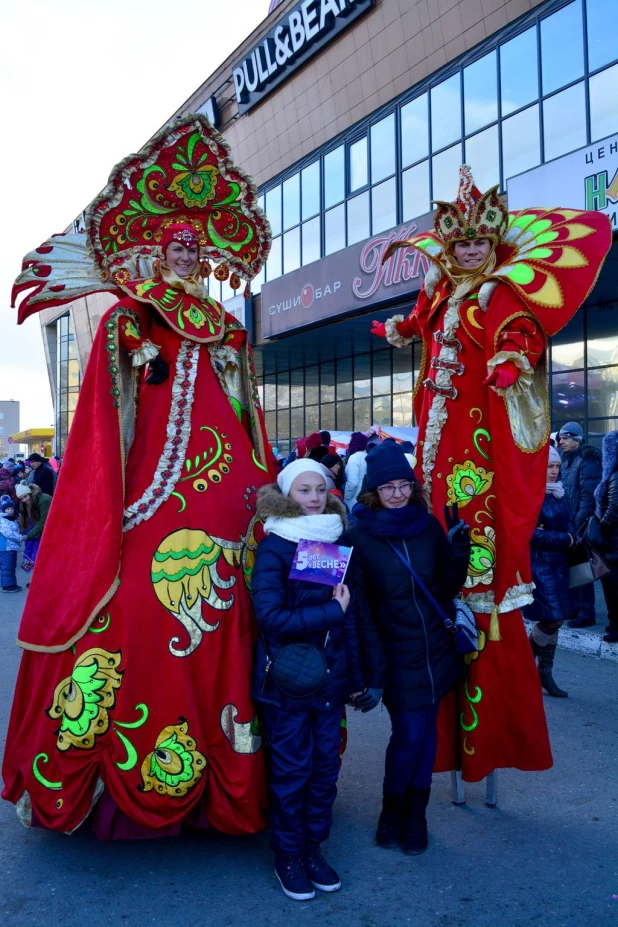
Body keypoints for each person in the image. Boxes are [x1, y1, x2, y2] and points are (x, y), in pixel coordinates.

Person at [4, 113, 275, 839]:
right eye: (175, 245)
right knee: (128, 604)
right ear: (156, 249)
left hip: (229, 493)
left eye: (195, 246)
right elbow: (116, 383)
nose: (186, 254)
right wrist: (133, 345)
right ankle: (123, 780)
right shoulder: (136, 315)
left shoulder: (224, 325)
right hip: (151, 486)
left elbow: (247, 412)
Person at [372, 165, 611, 781]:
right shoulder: (439, 291)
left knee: (474, 549)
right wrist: (400, 327)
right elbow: (421, 328)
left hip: (473, 447)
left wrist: (509, 363)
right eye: (460, 245)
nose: (469, 251)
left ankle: (482, 728)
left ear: (494, 243)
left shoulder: (497, 290)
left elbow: (520, 332)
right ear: (449, 248)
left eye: (477, 243)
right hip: (435, 442)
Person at [343, 444, 470, 854]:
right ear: (371, 492)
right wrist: (370, 673)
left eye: (404, 485)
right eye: (387, 488)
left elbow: (446, 588)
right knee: (409, 735)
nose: (397, 494)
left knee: (426, 736)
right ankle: (391, 812)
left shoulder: (428, 524)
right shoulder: (358, 536)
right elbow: (358, 612)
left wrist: (458, 551)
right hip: (394, 655)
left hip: (436, 650)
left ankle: (416, 815)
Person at [251, 459, 363, 900]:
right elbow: (272, 617)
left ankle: (314, 849)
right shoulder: (277, 545)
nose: (315, 498)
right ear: (287, 495)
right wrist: (333, 612)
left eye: (321, 489)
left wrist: (355, 676)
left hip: (330, 681)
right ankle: (288, 856)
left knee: (324, 771)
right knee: (293, 772)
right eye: (304, 490)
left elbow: (345, 621)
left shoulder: (331, 540)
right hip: (289, 684)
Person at [525, 446, 574, 697]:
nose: (554, 472)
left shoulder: (560, 492)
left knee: (557, 618)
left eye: (556, 467)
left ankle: (544, 672)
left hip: (560, 564)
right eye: (549, 467)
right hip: (539, 564)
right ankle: (525, 664)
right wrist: (563, 538)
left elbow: (571, 523)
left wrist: (567, 536)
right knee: (553, 618)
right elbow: (529, 533)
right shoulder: (531, 493)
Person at [558, 422, 602, 628]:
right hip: (568, 522)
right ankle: (574, 608)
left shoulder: (587, 459)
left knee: (583, 568)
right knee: (571, 567)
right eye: (560, 438)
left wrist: (576, 525)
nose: (561, 441)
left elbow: (588, 497)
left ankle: (586, 612)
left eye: (565, 438)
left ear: (577, 439)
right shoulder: (566, 460)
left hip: (580, 524)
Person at [595, 431, 618, 644]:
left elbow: (614, 508)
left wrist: (599, 527)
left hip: (613, 544)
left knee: (612, 586)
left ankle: (615, 627)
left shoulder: (615, 476)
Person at [344, 432, 379, 511]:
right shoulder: (368, 456)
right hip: (366, 495)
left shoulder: (354, 458)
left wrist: (347, 497)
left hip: (354, 498)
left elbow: (353, 482)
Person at [0, 499, 23, 593]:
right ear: (4, 510)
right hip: (5, 547)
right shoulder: (3, 520)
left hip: (11, 546)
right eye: (8, 509)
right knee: (7, 567)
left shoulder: (11, 519)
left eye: (12, 508)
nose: (10, 510)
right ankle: (7, 585)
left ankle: (12, 583)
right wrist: (20, 538)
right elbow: (8, 533)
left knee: (12, 566)